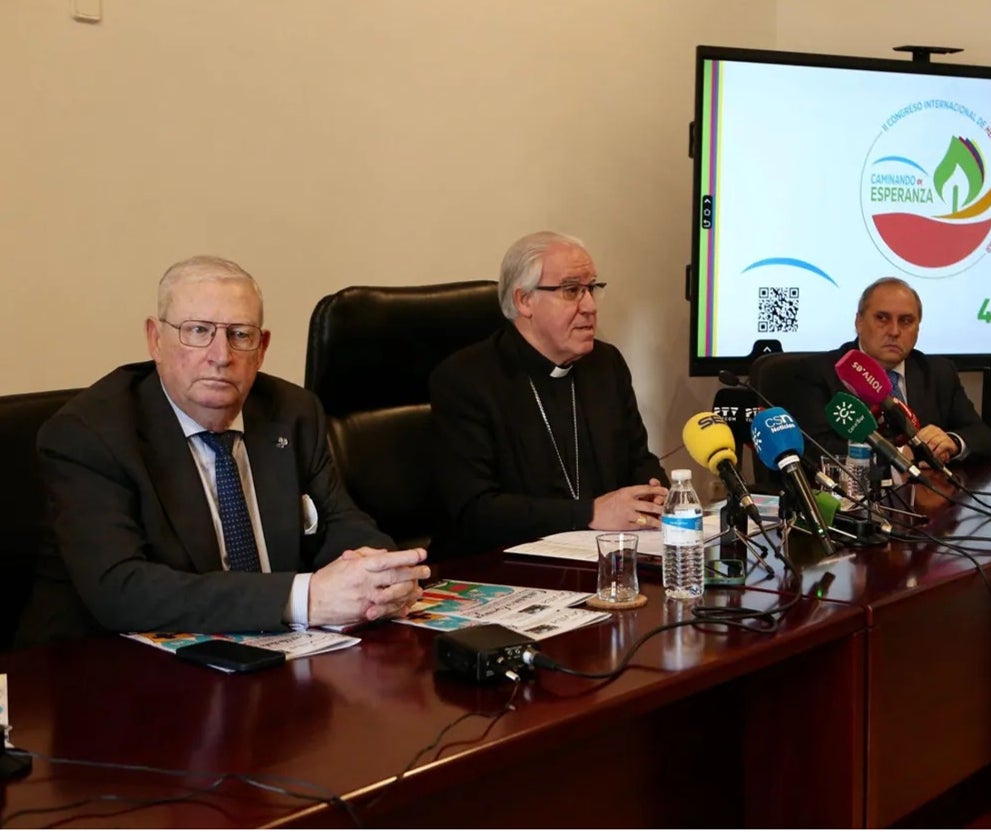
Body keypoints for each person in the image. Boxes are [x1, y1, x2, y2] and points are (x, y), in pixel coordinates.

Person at [19, 256, 430, 644]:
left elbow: (340, 521)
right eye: (198, 331)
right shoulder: (90, 433)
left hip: (268, 657)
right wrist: (304, 597)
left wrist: (382, 574)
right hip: (108, 672)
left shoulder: (291, 411)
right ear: (154, 339)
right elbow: (122, 589)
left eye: (240, 335)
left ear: (262, 347)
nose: (221, 356)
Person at [429, 231, 668, 558]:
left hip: (600, 559)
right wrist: (590, 514)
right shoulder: (465, 379)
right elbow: (476, 509)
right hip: (497, 565)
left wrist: (654, 493)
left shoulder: (605, 364)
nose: (589, 306)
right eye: (571, 291)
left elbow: (638, 458)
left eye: (592, 288)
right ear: (524, 301)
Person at [777, 277, 991, 464]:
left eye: (906, 321)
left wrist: (952, 442)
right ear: (859, 322)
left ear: (918, 328)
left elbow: (981, 435)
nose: (894, 331)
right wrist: (903, 456)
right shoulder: (819, 372)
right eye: (882, 318)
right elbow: (817, 450)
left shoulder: (938, 372)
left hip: (928, 501)